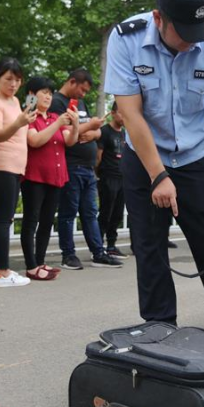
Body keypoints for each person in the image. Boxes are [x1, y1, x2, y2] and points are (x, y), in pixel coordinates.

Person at [105, 0, 204, 330]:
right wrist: (158, 176)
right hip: (144, 160)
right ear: (158, 17)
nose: (193, 40)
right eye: (184, 32)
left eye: (198, 31)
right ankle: (160, 326)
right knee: (150, 246)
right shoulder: (126, 39)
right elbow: (131, 115)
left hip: (194, 158)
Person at [51, 68, 122, 270]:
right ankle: (68, 254)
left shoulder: (79, 104)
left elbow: (95, 131)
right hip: (71, 164)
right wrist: (87, 127)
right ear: (72, 82)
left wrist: (94, 131)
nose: (83, 95)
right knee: (68, 211)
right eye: (81, 90)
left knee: (90, 211)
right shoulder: (57, 102)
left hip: (88, 167)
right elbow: (61, 132)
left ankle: (98, 252)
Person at [21, 76, 80, 280]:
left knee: (46, 222)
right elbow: (35, 141)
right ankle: (31, 266)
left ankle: (39, 262)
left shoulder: (55, 117)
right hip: (34, 176)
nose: (48, 96)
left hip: (55, 176)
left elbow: (70, 141)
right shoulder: (28, 117)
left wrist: (76, 124)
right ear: (31, 95)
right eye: (43, 92)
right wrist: (58, 125)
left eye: (49, 93)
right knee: (31, 220)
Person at [0, 57, 33, 287]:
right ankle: (3, 271)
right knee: (4, 220)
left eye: (18, 80)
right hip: (0, 167)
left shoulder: (14, 102)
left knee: (6, 219)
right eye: (8, 79)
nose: (13, 84)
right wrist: (19, 123)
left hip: (14, 168)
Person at [97, 102, 129, 259]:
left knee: (117, 213)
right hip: (107, 177)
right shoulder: (104, 131)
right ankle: (98, 246)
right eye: (121, 113)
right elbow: (98, 156)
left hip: (122, 177)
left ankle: (111, 245)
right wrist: (99, 174)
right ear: (113, 113)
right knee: (105, 212)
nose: (124, 117)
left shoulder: (124, 133)